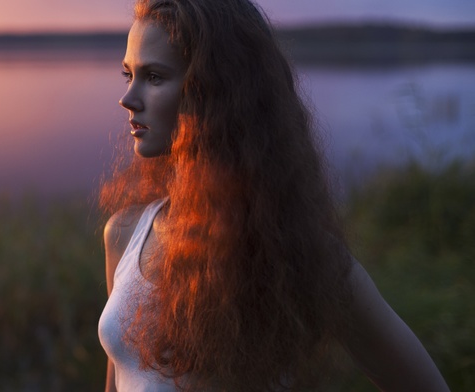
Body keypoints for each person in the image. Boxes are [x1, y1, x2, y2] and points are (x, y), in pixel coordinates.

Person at [97, 0, 450, 391]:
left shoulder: (298, 257)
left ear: (217, 91)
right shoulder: (125, 234)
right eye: (128, 74)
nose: (128, 98)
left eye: (155, 77)